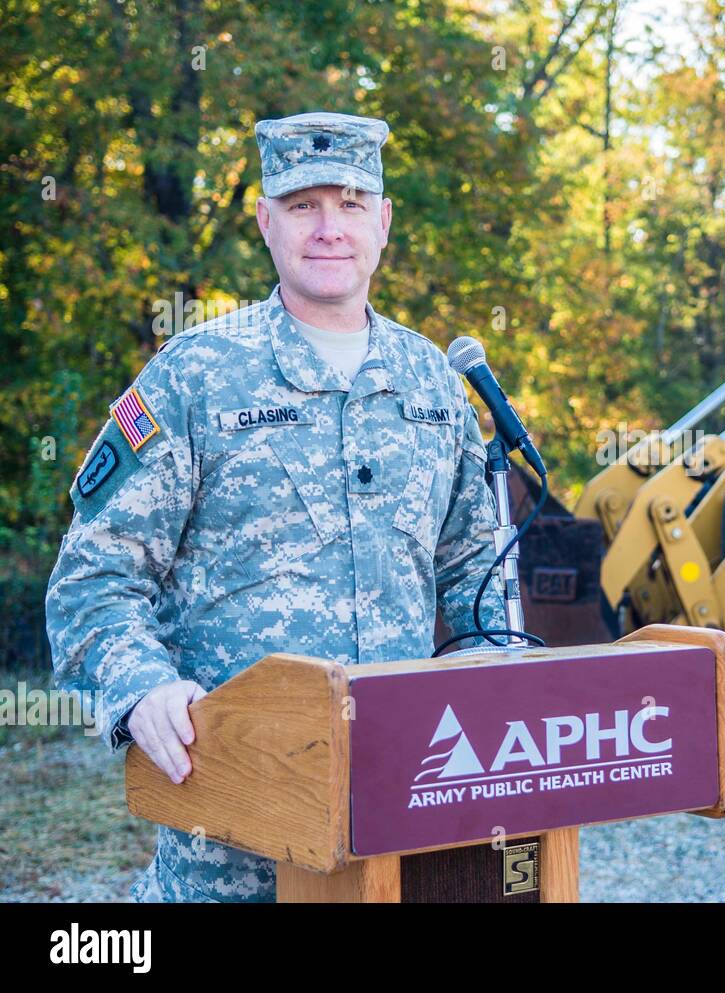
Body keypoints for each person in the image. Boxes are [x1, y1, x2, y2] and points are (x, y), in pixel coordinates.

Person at [45, 111, 507, 902]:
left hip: (401, 826)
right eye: (303, 205)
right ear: (266, 222)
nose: (330, 227)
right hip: (231, 836)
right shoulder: (193, 378)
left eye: (353, 202)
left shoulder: (433, 384)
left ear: (384, 221)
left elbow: (473, 576)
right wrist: (143, 688)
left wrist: (481, 685)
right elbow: (92, 582)